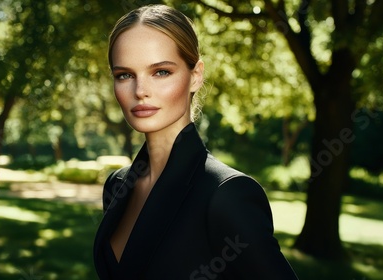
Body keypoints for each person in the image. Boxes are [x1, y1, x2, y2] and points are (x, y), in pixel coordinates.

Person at [93, 4, 298, 280]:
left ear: (196, 76)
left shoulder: (227, 194)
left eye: (161, 72)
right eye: (125, 75)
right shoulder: (117, 185)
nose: (140, 91)